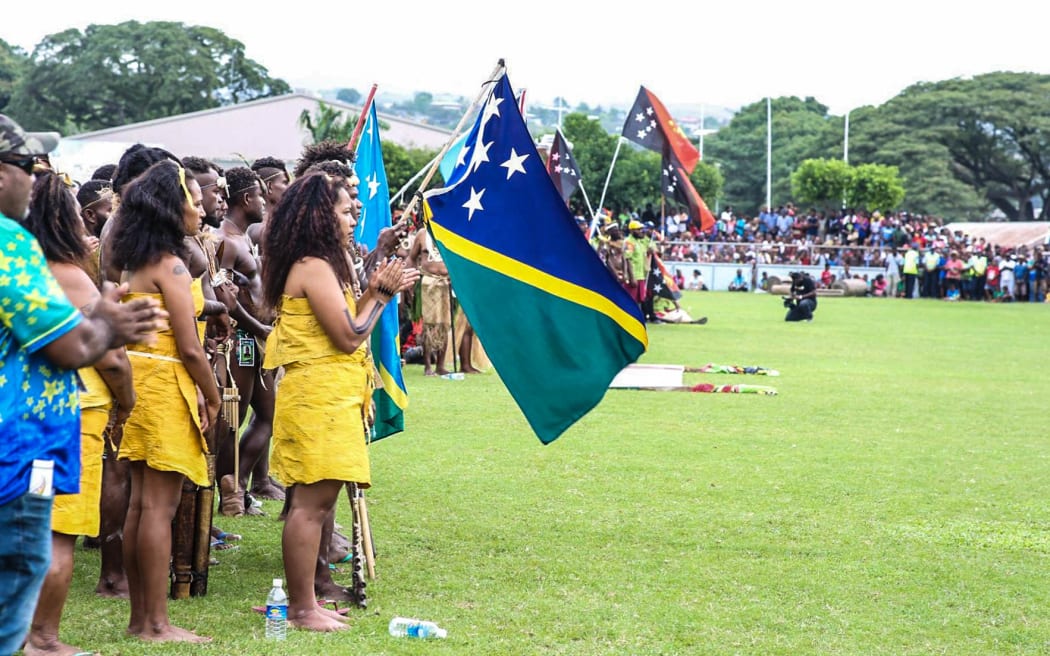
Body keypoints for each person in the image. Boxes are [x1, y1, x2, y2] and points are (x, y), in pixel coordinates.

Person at [0, 114, 164, 655]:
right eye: (30, 166)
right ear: (3, 175)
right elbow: (68, 347)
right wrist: (107, 328)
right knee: (23, 565)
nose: (38, 180)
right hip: (22, 449)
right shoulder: (9, 244)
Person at [260, 171, 417, 631]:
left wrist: (375, 287)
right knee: (310, 505)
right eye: (347, 211)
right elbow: (349, 335)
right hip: (318, 397)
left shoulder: (323, 263)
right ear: (320, 215)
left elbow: (348, 315)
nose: (354, 219)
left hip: (332, 394)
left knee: (319, 504)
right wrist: (383, 296)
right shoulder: (312, 265)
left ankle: (306, 600)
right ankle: (302, 608)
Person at [21, 172, 137, 656]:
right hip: (71, 418)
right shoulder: (68, 276)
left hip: (26, 417)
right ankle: (42, 639)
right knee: (58, 530)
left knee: (30, 526)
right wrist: (126, 401)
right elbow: (109, 354)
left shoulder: (19, 270)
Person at [109, 160, 221, 643]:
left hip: (141, 384)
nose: (200, 208)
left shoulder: (137, 261)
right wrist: (212, 395)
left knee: (142, 505)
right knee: (159, 507)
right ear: (172, 207)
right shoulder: (171, 265)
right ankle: (155, 623)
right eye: (194, 199)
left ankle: (143, 619)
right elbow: (191, 346)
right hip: (165, 384)